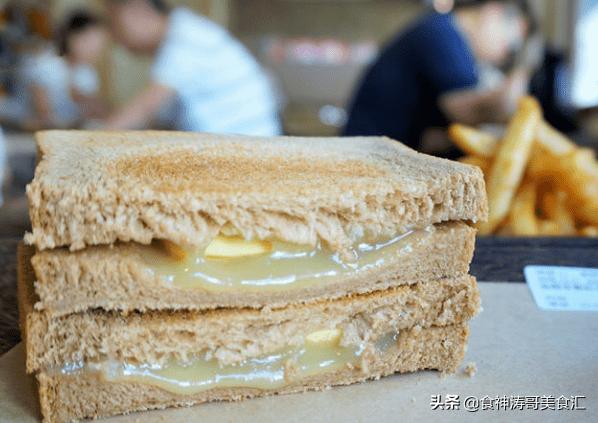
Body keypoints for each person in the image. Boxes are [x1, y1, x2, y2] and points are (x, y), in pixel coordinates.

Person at [343, 0, 536, 158]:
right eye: (512, 46)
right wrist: (520, 80)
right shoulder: (444, 35)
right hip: (366, 159)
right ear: (493, 13)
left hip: (377, 154)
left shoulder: (443, 31)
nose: (505, 56)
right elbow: (469, 113)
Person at [103, 0, 281, 136]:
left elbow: (144, 109)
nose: (114, 36)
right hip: (240, 144)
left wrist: (92, 141)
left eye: (114, 22)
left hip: (248, 148)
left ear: (138, 10)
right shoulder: (182, 31)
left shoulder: (184, 37)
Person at [1, 11, 108, 129]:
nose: (94, 49)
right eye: (89, 41)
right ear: (71, 37)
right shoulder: (44, 63)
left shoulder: (88, 73)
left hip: (60, 131)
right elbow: (44, 115)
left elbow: (95, 111)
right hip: (19, 129)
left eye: (99, 43)